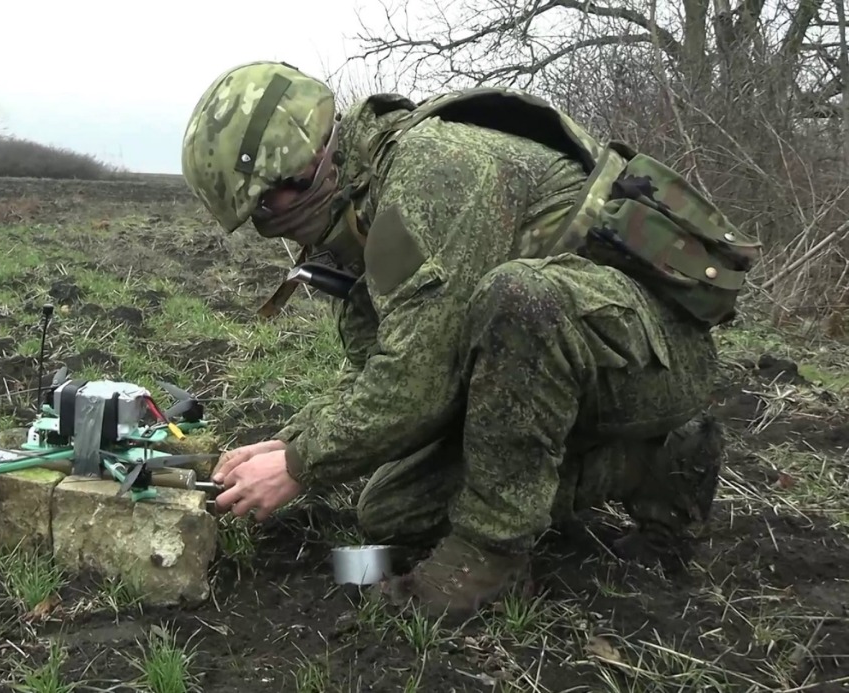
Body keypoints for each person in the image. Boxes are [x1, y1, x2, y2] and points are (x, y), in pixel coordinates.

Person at [179, 61, 760, 622]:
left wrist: (301, 466)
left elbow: (416, 382)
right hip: (556, 371)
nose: (265, 220)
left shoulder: (434, 170)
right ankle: (641, 464)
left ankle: (494, 553)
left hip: (648, 361)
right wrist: (288, 442)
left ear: (297, 166)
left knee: (521, 295)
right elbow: (374, 366)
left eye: (263, 204)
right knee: (389, 511)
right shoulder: (362, 207)